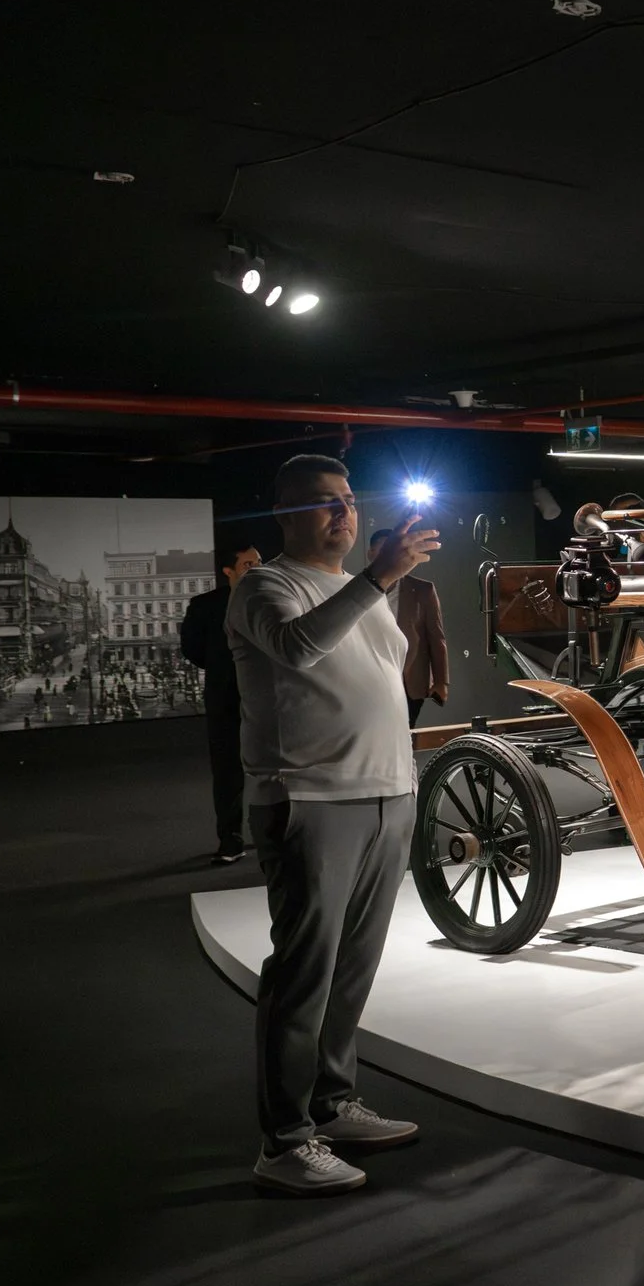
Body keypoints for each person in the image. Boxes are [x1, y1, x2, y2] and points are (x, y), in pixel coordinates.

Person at [228, 454, 440, 1195]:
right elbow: (298, 646)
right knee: (304, 972)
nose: (343, 513)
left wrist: (377, 583)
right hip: (309, 799)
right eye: (324, 503)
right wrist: (378, 577)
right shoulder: (265, 586)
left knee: (353, 968)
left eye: (348, 499)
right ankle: (285, 1139)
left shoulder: (362, 589)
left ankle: (332, 1100)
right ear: (286, 515)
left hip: (386, 793)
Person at [180, 541, 262, 863]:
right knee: (227, 772)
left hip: (270, 698)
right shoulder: (204, 605)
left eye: (259, 563)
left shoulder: (274, 600)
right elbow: (192, 648)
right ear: (228, 571)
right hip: (225, 697)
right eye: (248, 565)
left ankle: (278, 834)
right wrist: (223, 666)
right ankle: (231, 840)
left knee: (279, 768)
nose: (256, 569)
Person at [366, 526, 450, 726]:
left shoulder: (423, 590)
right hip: (370, 680)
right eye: (382, 551)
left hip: (409, 679)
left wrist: (441, 682)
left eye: (394, 551)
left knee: (405, 733)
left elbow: (436, 638)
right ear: (370, 554)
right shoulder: (356, 589)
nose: (389, 557)